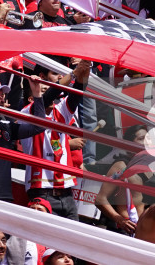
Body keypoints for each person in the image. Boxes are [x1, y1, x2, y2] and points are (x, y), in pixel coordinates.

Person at [22, 61, 90, 220]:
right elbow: (48, 97)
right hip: (42, 191)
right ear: (32, 99)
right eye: (42, 91)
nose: (52, 98)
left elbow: (75, 95)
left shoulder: (60, 111)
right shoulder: (27, 113)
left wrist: (83, 74)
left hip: (66, 192)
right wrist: (74, 73)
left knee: (74, 235)